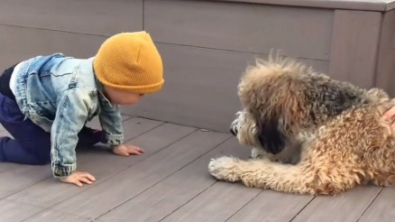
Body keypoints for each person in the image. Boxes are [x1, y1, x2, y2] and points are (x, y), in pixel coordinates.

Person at [0, 31, 164, 187]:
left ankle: (84, 136)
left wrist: (116, 143)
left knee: (83, 139)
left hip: (39, 86)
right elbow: (65, 129)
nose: (142, 97)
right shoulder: (78, 93)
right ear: (116, 84)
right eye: (140, 93)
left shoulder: (103, 74)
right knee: (41, 152)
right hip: (11, 98)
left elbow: (110, 109)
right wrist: (65, 172)